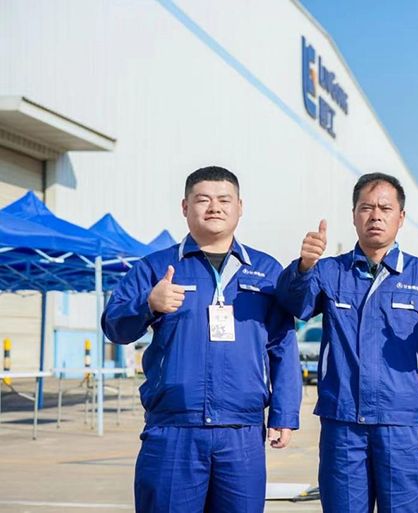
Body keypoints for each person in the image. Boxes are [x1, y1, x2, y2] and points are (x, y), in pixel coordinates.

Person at [102, 166, 301, 512]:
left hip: (242, 431)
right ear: (185, 207)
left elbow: (282, 345)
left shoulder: (266, 271)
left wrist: (284, 413)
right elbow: (114, 326)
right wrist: (148, 304)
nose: (214, 207)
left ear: (240, 207)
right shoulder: (157, 267)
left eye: (224, 199)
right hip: (174, 429)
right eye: (203, 200)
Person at [276, 172, 418, 512]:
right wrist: (303, 267)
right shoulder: (329, 272)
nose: (375, 216)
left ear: (401, 217)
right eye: (366, 208)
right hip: (343, 422)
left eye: (385, 209)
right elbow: (293, 305)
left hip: (402, 424)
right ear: (354, 215)